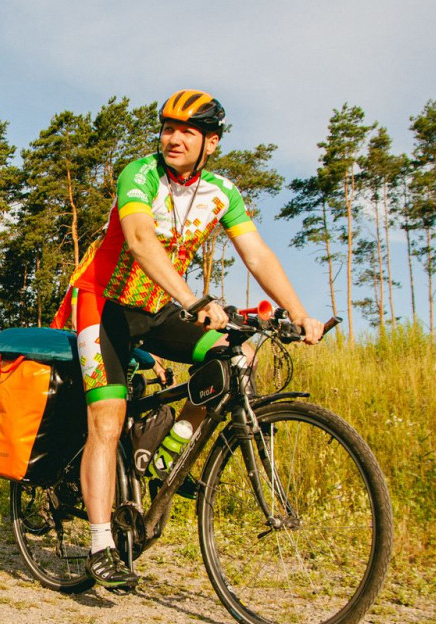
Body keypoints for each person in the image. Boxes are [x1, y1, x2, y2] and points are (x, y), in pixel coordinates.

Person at [63, 89, 323, 589]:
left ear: (211, 142)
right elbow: (139, 240)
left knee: (234, 357)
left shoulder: (222, 192)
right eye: (167, 128)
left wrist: (298, 313)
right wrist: (195, 300)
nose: (173, 138)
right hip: (103, 305)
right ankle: (100, 544)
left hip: (158, 309)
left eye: (187, 131)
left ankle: (166, 454)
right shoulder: (139, 175)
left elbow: (258, 255)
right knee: (108, 419)